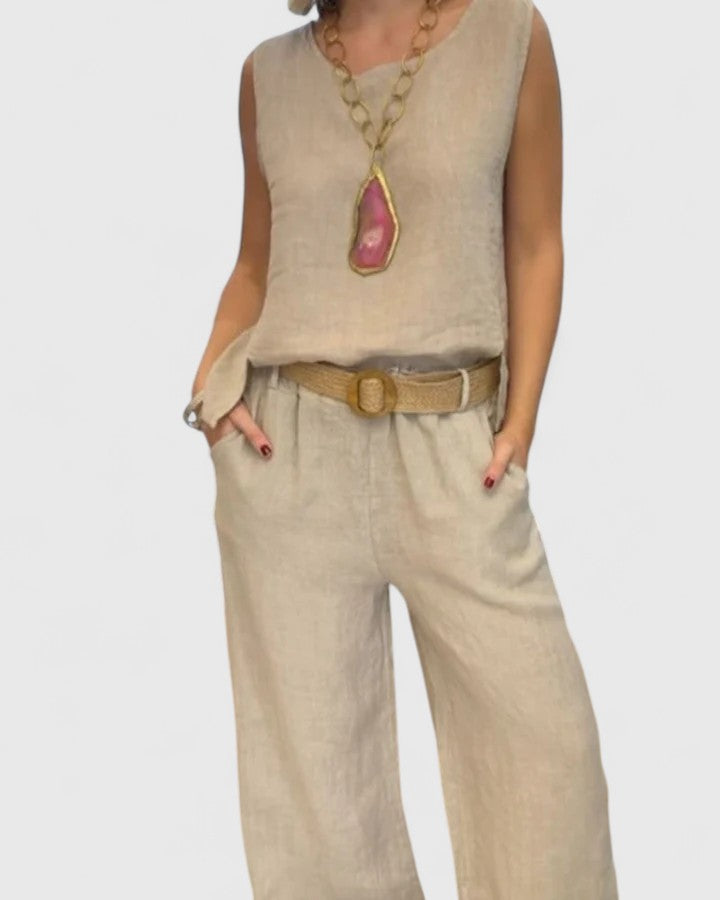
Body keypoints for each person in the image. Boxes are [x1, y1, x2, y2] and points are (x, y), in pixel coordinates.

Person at [182, 0, 619, 897]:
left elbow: (536, 245)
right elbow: (256, 264)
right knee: (318, 808)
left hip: (455, 445)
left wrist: (520, 425)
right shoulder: (268, 76)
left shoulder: (509, 35)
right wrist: (211, 396)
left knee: (547, 758)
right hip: (289, 454)